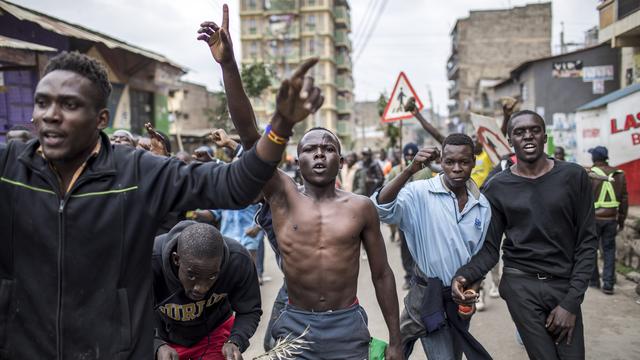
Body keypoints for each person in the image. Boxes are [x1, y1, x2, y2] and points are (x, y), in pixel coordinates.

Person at [0, 16, 322, 356]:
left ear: (101, 120)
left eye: (69, 105)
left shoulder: (137, 173)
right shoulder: (8, 169)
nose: (51, 114)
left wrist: (280, 124)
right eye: (42, 102)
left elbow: (236, 183)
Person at [452, 110, 597, 360]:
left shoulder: (574, 177)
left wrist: (571, 302)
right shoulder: (497, 187)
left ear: (544, 136)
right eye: (519, 132)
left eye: (534, 130)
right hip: (521, 286)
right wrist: (464, 276)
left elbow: (587, 242)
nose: (528, 136)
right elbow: (489, 249)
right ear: (510, 140)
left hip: (564, 283)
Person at [259, 128, 401, 359]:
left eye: (328, 149)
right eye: (310, 149)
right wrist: (233, 88)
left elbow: (382, 274)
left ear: (341, 161)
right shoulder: (282, 197)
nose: (319, 154)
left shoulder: (361, 207)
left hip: (346, 324)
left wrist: (396, 340)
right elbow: (249, 139)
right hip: (296, 323)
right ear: (297, 161)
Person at [373, 134, 492, 360]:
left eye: (464, 162)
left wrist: (473, 289)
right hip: (424, 293)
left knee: (452, 353)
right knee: (399, 351)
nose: (456, 168)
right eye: (449, 162)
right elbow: (381, 209)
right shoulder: (419, 192)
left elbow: (479, 258)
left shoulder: (482, 206)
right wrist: (409, 170)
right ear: (441, 162)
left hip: (456, 301)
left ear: (473, 162)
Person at [153, 221, 261, 360]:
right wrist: (155, 345)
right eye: (192, 275)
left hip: (215, 333)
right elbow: (127, 317)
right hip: (164, 339)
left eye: (212, 276)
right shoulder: (149, 262)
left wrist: (235, 341)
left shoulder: (238, 260)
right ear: (176, 259)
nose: (201, 288)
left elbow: (250, 310)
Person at [384, 142, 433, 289]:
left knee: (421, 248)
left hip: (421, 216)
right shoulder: (396, 170)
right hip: (403, 216)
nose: (410, 157)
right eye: (408, 155)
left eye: (413, 155)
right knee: (405, 248)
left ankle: (420, 277)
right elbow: (387, 188)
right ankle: (408, 276)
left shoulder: (425, 171)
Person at [587, 146, 628, 294]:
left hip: (593, 220)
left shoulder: (591, 174)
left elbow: (583, 199)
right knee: (609, 250)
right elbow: (624, 199)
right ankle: (608, 284)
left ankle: (593, 281)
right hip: (611, 219)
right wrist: (621, 220)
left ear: (594, 158)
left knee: (591, 250)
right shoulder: (620, 174)